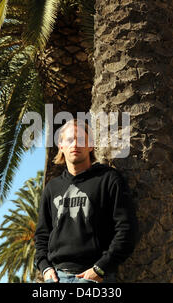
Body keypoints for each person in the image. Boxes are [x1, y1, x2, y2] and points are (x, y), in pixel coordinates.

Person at [34, 118, 138, 283]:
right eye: (69, 140)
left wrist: (100, 268)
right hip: (56, 277)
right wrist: (45, 268)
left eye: (81, 139)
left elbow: (126, 230)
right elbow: (42, 236)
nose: (75, 144)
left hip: (93, 276)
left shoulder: (108, 179)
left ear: (90, 145)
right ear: (61, 146)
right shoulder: (52, 188)